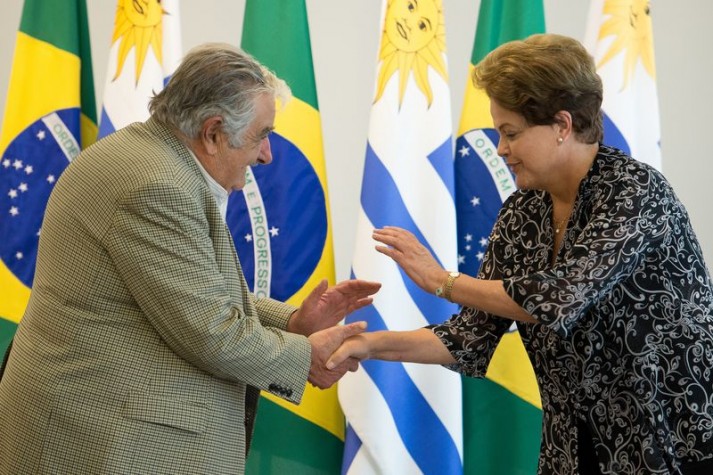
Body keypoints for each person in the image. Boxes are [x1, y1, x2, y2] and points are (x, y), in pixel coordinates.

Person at [328, 34, 713, 475]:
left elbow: (560, 297)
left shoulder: (635, 191)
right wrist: (367, 344)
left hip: (673, 450)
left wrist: (442, 281)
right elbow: (468, 340)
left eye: (511, 133)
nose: (500, 148)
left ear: (562, 125)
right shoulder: (522, 213)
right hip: (571, 453)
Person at [0, 43, 380, 474]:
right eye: (262, 135)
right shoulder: (155, 186)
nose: (267, 155)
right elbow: (210, 332)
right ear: (213, 132)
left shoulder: (146, 156)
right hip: (101, 442)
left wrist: (291, 323)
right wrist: (304, 356)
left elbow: (191, 294)